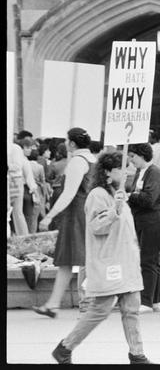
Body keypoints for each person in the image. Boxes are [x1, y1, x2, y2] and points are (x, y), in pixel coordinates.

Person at [50, 151, 152, 364]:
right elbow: (97, 226)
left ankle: (137, 355)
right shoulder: (97, 195)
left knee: (131, 309)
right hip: (109, 264)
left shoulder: (119, 193)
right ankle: (65, 347)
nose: (126, 172)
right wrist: (115, 209)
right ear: (107, 172)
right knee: (100, 310)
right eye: (120, 169)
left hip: (126, 263)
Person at [36, 128, 96, 318]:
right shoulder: (93, 160)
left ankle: (91, 303)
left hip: (75, 215)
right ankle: (53, 304)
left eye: (66, 140)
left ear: (71, 143)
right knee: (69, 260)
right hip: (86, 212)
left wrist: (49, 216)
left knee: (77, 259)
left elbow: (68, 194)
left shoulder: (77, 162)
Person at [127, 143, 160, 313]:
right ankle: (156, 300)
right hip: (144, 220)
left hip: (154, 219)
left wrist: (131, 196)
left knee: (147, 259)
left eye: (133, 156)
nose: (131, 160)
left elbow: (149, 198)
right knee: (153, 259)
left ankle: (146, 301)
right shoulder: (141, 172)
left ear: (142, 155)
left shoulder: (154, 173)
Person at [8, 138, 38, 236]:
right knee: (19, 215)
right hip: (21, 188)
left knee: (19, 214)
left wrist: (34, 190)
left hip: (21, 188)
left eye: (30, 148)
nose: (30, 150)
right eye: (27, 147)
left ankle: (22, 236)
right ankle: (22, 236)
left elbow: (29, 178)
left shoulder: (22, 158)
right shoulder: (22, 158)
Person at [23, 149, 47, 233]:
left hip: (26, 188)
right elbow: (43, 181)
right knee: (35, 215)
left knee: (27, 214)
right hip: (37, 189)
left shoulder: (25, 164)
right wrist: (45, 194)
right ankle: (34, 232)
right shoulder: (40, 167)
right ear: (37, 157)